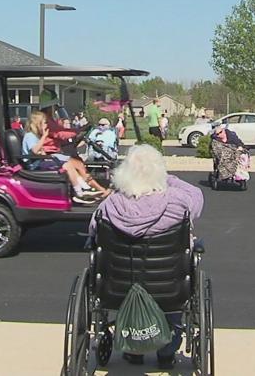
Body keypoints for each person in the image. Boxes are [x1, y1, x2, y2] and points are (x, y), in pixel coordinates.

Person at [89, 144, 204, 369]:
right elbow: (197, 196)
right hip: (169, 288)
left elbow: (93, 232)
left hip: (118, 288)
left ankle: (133, 349)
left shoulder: (109, 205)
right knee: (173, 288)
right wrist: (169, 179)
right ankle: (166, 353)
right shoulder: (178, 203)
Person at [21, 111, 107, 203]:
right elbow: (35, 150)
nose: (46, 125)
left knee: (69, 163)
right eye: (44, 123)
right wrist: (44, 136)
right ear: (37, 124)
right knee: (67, 164)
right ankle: (80, 192)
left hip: (40, 161)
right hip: (35, 165)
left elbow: (40, 151)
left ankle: (84, 188)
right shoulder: (30, 136)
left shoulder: (35, 136)